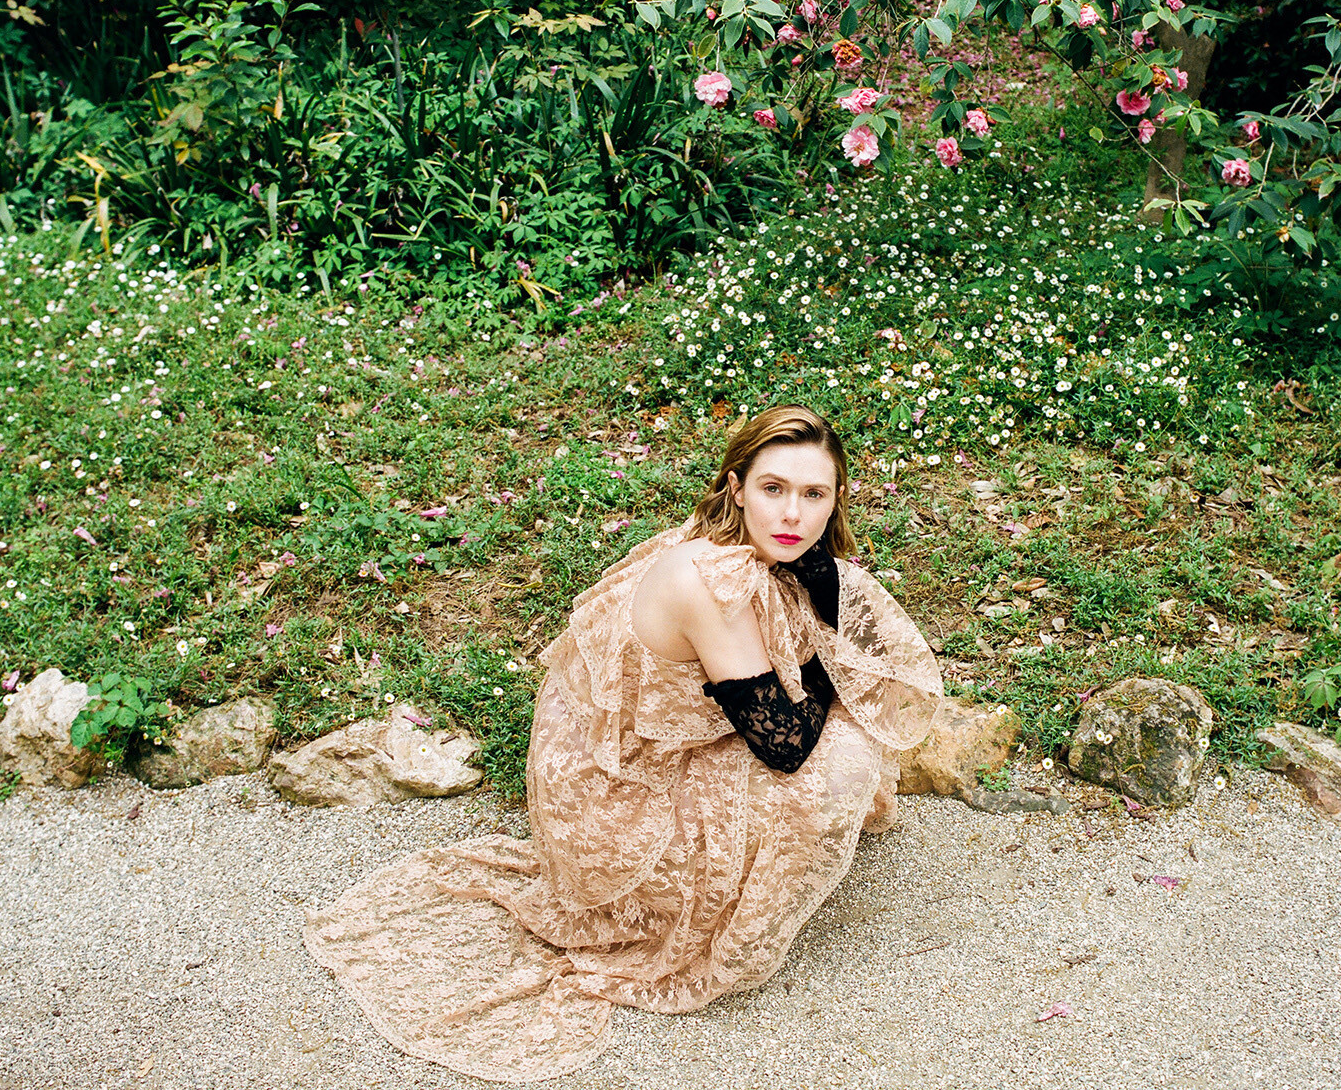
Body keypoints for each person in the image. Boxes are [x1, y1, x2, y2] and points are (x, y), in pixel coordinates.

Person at [302, 405, 943, 1083]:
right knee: (841, 756)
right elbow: (784, 744)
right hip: (616, 804)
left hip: (641, 755)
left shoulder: (747, 545)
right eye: (772, 488)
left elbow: (831, 636)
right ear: (735, 489)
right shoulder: (713, 581)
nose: (792, 514)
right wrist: (833, 668)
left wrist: (833, 639)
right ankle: (702, 907)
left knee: (848, 717)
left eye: (813, 494)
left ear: (836, 499)